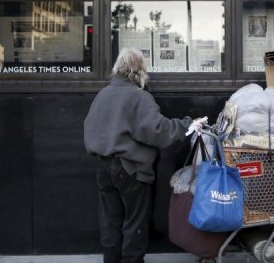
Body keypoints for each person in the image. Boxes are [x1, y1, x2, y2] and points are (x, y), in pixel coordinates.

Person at [84, 47, 198, 263]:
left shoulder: (103, 94)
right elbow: (158, 130)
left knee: (110, 222)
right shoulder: (139, 97)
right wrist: (187, 125)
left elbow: (89, 128)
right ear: (139, 70)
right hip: (131, 169)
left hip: (104, 167)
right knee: (135, 224)